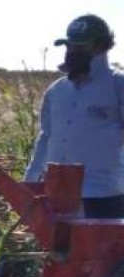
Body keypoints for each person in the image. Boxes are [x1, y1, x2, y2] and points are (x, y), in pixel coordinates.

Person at [24, 14, 124, 218]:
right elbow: (45, 137)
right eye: (69, 46)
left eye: (80, 47)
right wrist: (30, 182)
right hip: (57, 196)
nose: (71, 52)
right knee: (59, 250)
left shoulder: (117, 85)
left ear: (100, 47)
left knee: (104, 251)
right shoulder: (56, 91)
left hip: (104, 194)